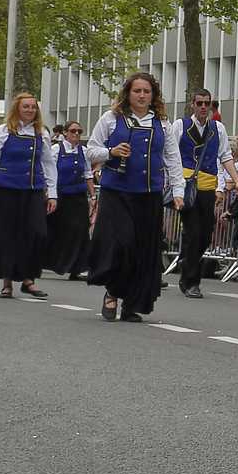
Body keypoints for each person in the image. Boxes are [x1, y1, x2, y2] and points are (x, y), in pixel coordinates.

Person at [87, 72, 185, 322]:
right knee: (122, 243)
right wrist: (111, 152)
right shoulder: (111, 119)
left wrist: (178, 191)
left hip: (148, 193)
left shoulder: (162, 124)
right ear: (128, 94)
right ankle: (112, 290)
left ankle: (132, 303)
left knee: (143, 250)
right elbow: (90, 150)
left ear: (153, 96)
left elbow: (173, 159)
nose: (142, 96)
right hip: (117, 192)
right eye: (137, 91)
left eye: (146, 91)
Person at [0, 91, 57, 297]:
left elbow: (48, 164)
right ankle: (7, 282)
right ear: (17, 108)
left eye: (33, 107)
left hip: (32, 190)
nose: (30, 110)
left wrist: (52, 194)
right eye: (26, 107)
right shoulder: (4, 130)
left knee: (36, 233)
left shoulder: (41, 132)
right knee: (7, 235)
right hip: (6, 189)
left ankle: (28, 278)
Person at [176, 89, 227, 299]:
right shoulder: (180, 125)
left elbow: (225, 157)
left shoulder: (218, 128)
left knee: (205, 234)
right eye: (200, 103)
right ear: (192, 105)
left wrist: (225, 185)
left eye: (208, 103)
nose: (204, 107)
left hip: (208, 187)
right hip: (187, 187)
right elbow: (170, 155)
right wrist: (174, 184)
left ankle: (186, 262)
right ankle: (191, 281)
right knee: (193, 232)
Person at [47, 120, 95, 278]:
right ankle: (50, 262)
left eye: (79, 132)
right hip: (61, 196)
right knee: (58, 229)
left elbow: (88, 174)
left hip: (78, 196)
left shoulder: (84, 151)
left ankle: (78, 267)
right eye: (73, 131)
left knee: (81, 229)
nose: (76, 134)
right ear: (65, 133)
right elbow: (50, 172)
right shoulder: (56, 149)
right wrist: (49, 194)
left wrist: (93, 196)